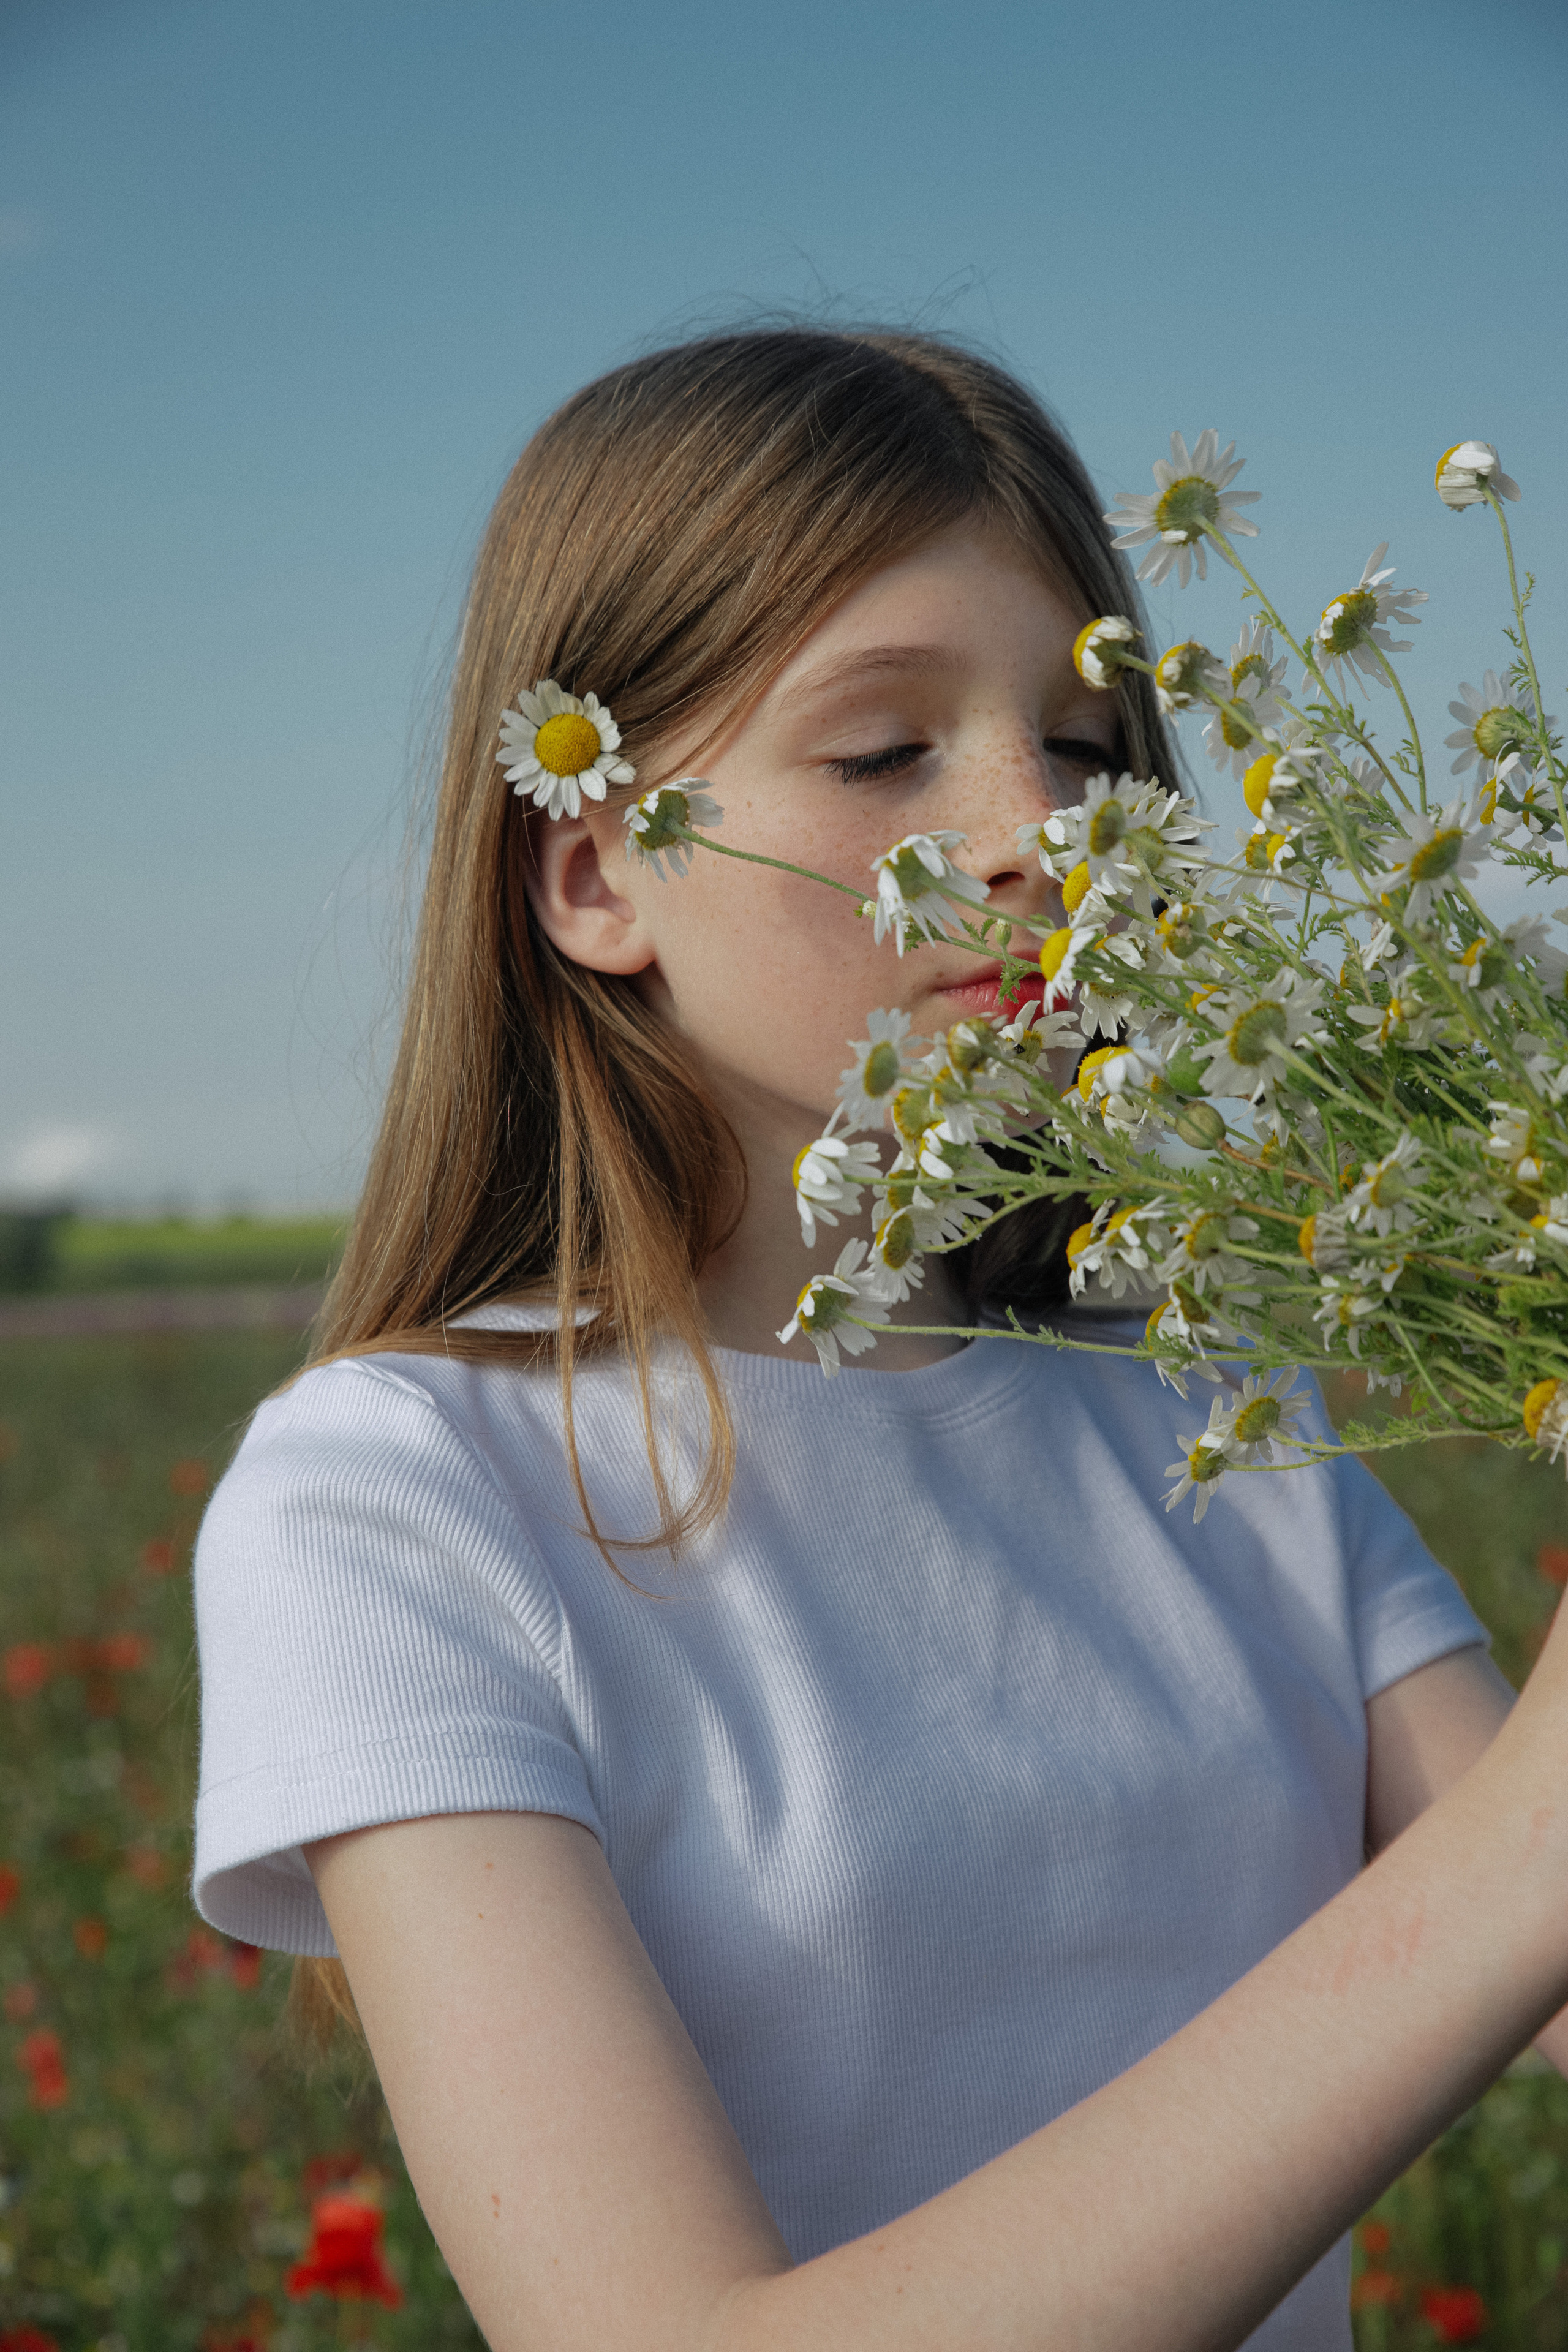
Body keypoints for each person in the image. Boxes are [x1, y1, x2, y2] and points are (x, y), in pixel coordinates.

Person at [192, 328, 1568, 2352]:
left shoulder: (1194, 1396)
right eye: (884, 753)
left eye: (1092, 753)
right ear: (593, 871)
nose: (1041, 836)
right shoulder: (395, 1498)